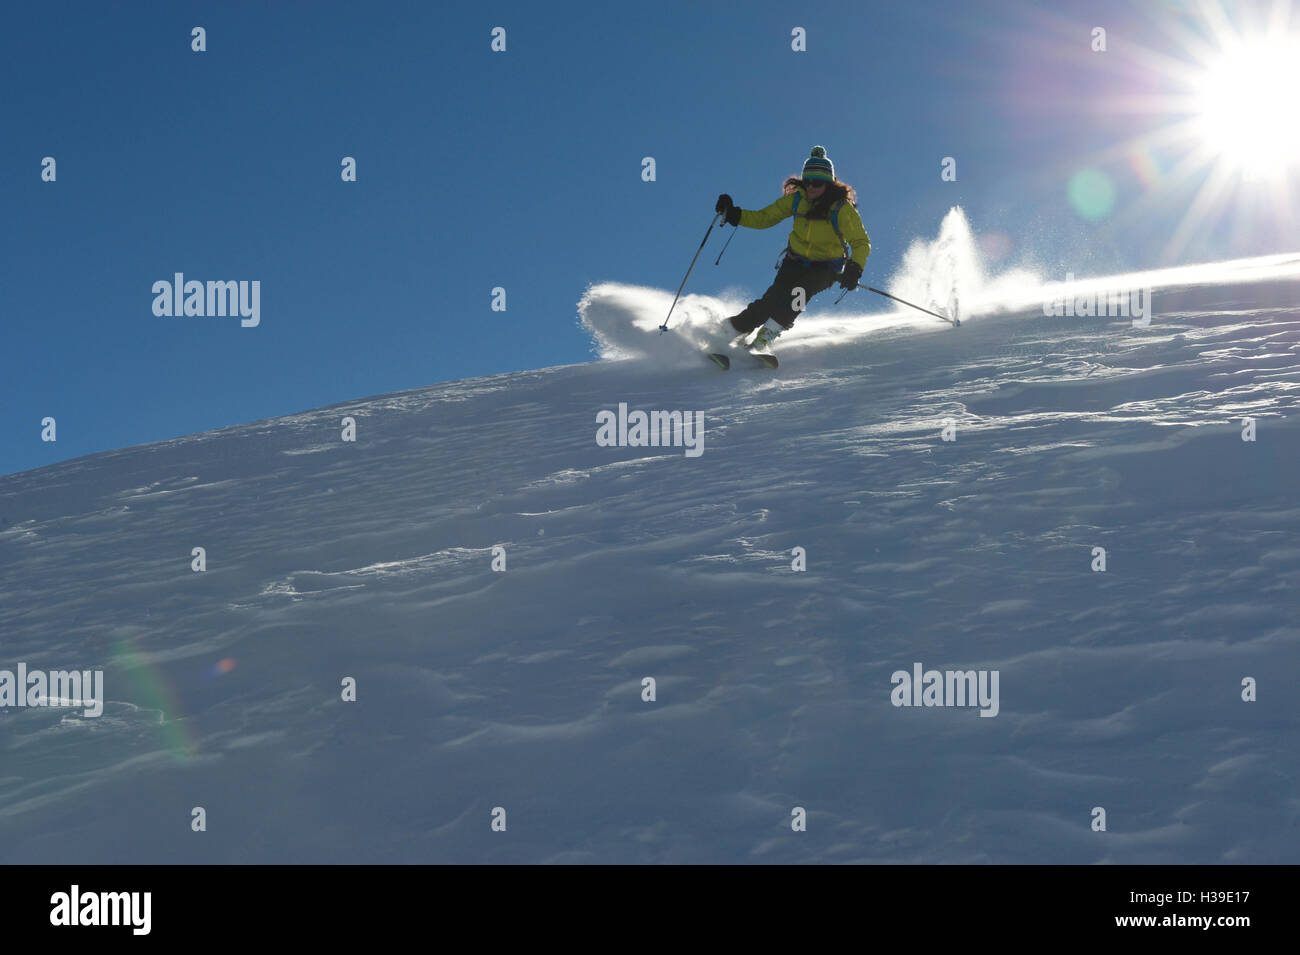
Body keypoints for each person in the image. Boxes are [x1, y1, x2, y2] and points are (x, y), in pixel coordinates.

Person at [714, 145, 870, 353]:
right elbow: (765, 218)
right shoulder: (797, 200)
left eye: (818, 183)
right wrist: (734, 214)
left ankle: (764, 339)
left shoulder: (841, 209)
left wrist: (855, 267)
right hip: (794, 261)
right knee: (771, 300)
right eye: (808, 182)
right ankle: (728, 331)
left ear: (829, 184)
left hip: (825, 268)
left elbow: (860, 241)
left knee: (798, 296)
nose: (812, 187)